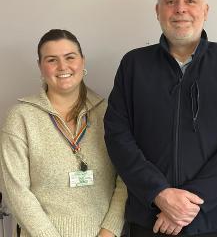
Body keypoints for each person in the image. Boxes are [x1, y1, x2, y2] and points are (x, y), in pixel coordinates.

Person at [104, 0, 217, 236]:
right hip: (150, 219)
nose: (180, 9)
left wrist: (191, 203)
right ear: (157, 10)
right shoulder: (133, 65)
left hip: (213, 221)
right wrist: (159, 194)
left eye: (190, 0)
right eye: (170, 1)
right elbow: (118, 136)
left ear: (205, 10)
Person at [0, 29, 127, 237]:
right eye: (52, 60)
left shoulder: (108, 113)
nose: (62, 67)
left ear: (82, 61)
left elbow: (125, 178)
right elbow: (16, 191)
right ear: (40, 66)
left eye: (70, 57)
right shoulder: (20, 118)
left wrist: (109, 231)